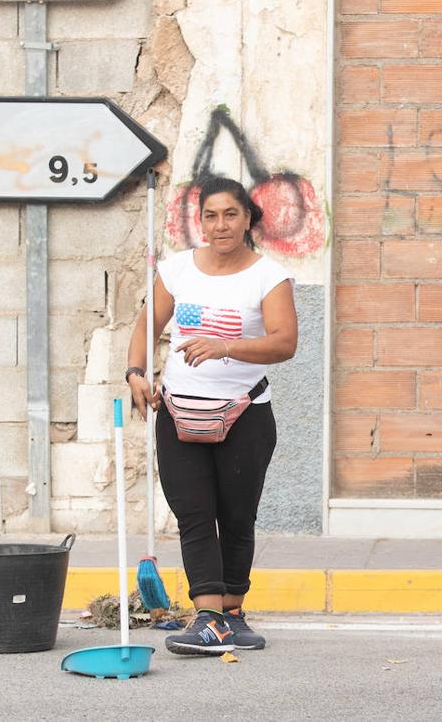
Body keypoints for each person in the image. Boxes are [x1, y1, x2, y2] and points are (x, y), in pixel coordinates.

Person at [126, 175, 298, 656]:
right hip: (178, 411)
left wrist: (226, 347)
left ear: (248, 220)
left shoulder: (269, 276)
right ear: (199, 221)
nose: (220, 225)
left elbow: (285, 342)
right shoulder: (178, 270)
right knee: (194, 515)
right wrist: (136, 371)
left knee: (237, 516)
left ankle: (232, 612)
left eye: (230, 215)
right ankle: (207, 614)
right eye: (210, 215)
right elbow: (147, 325)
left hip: (246, 414)